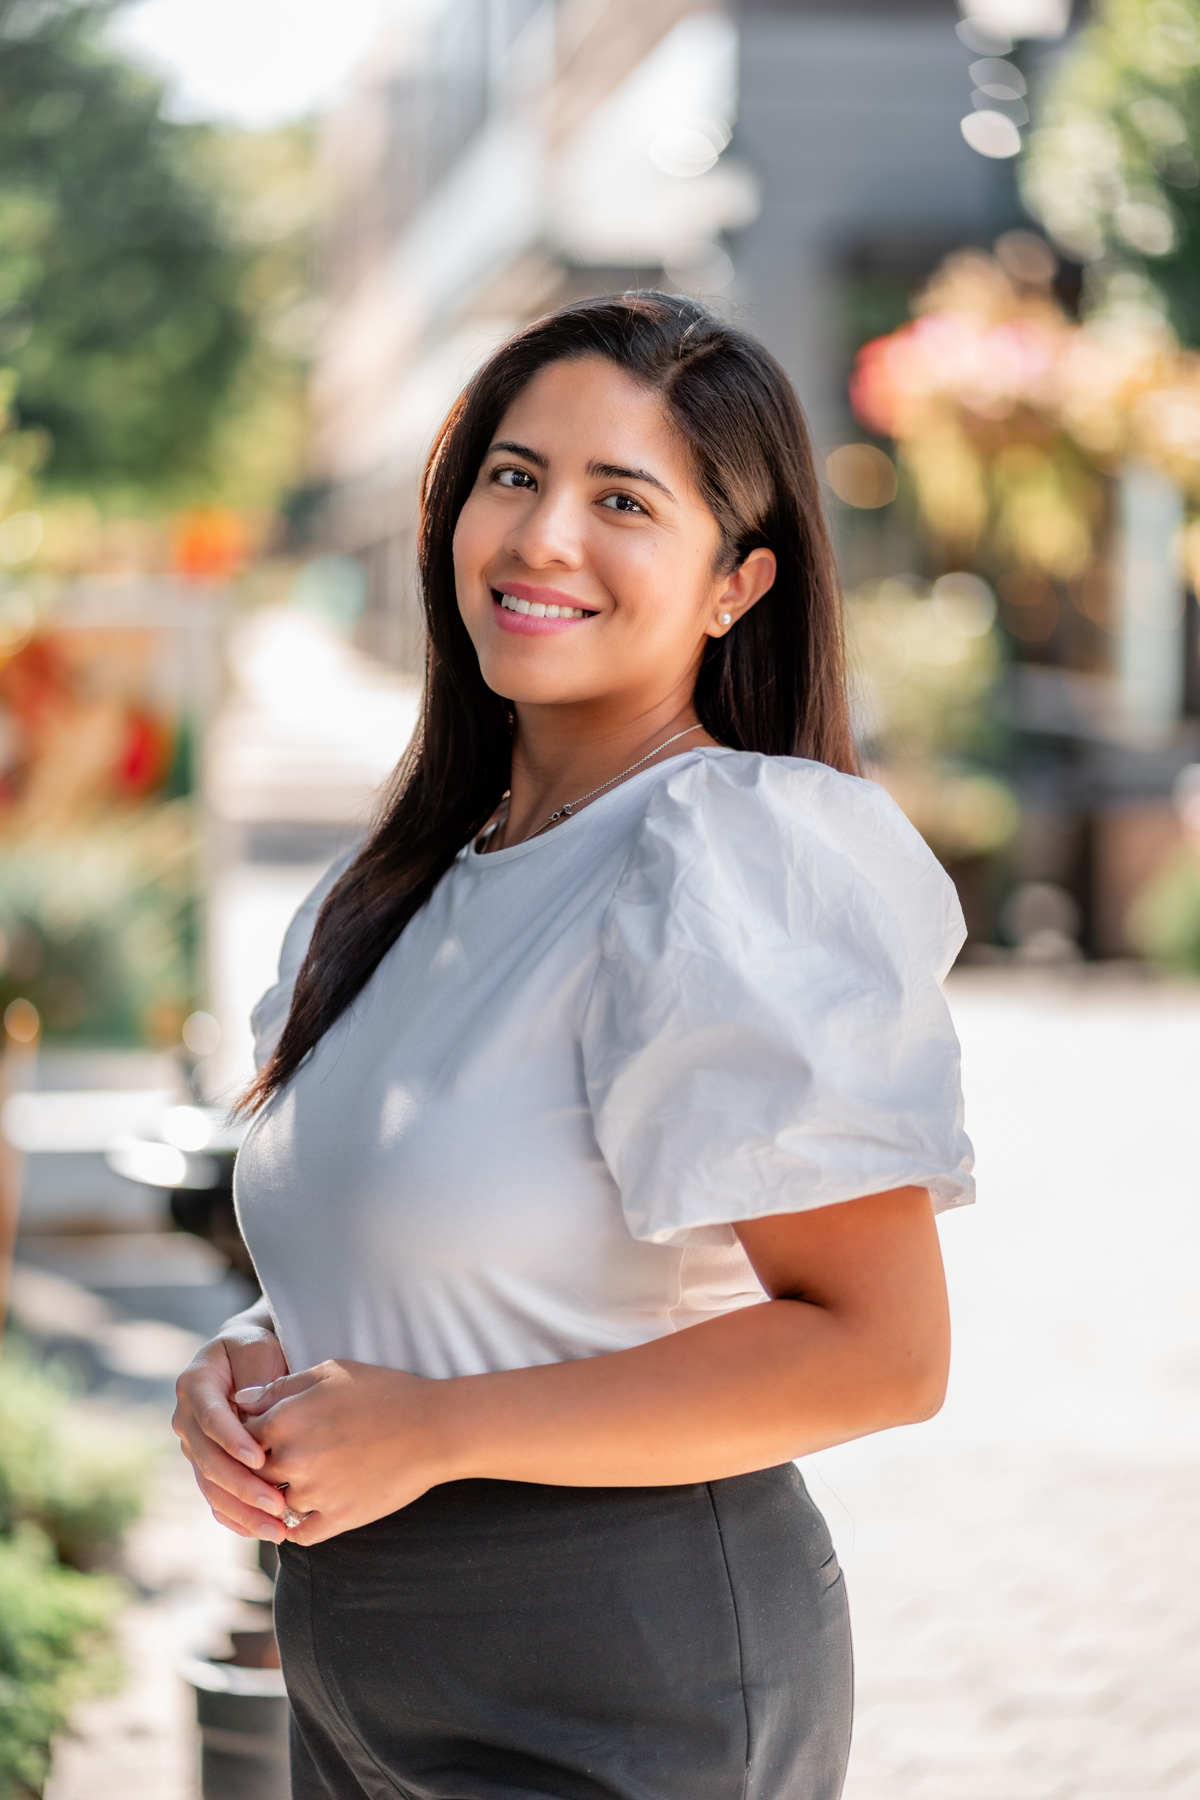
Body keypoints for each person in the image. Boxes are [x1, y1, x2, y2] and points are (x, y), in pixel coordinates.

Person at [174, 291, 973, 1800]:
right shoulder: (408, 884)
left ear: (737, 581)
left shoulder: (728, 858)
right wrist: (256, 1362)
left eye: (623, 499)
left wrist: (440, 1427)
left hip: (624, 1669)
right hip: (359, 1662)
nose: (544, 537)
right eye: (516, 475)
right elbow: (439, 1255)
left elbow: (883, 1351)